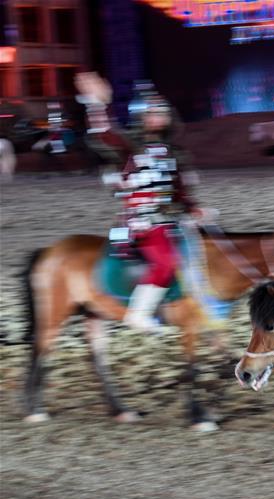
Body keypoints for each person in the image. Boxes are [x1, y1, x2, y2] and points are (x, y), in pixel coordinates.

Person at [76, 72, 203, 331]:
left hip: (171, 218)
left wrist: (193, 208)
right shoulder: (130, 147)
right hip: (143, 221)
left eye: (162, 112)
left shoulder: (173, 152)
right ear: (142, 118)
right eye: (152, 113)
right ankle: (139, 313)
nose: (158, 117)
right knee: (165, 261)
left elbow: (178, 190)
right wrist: (97, 103)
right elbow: (104, 134)